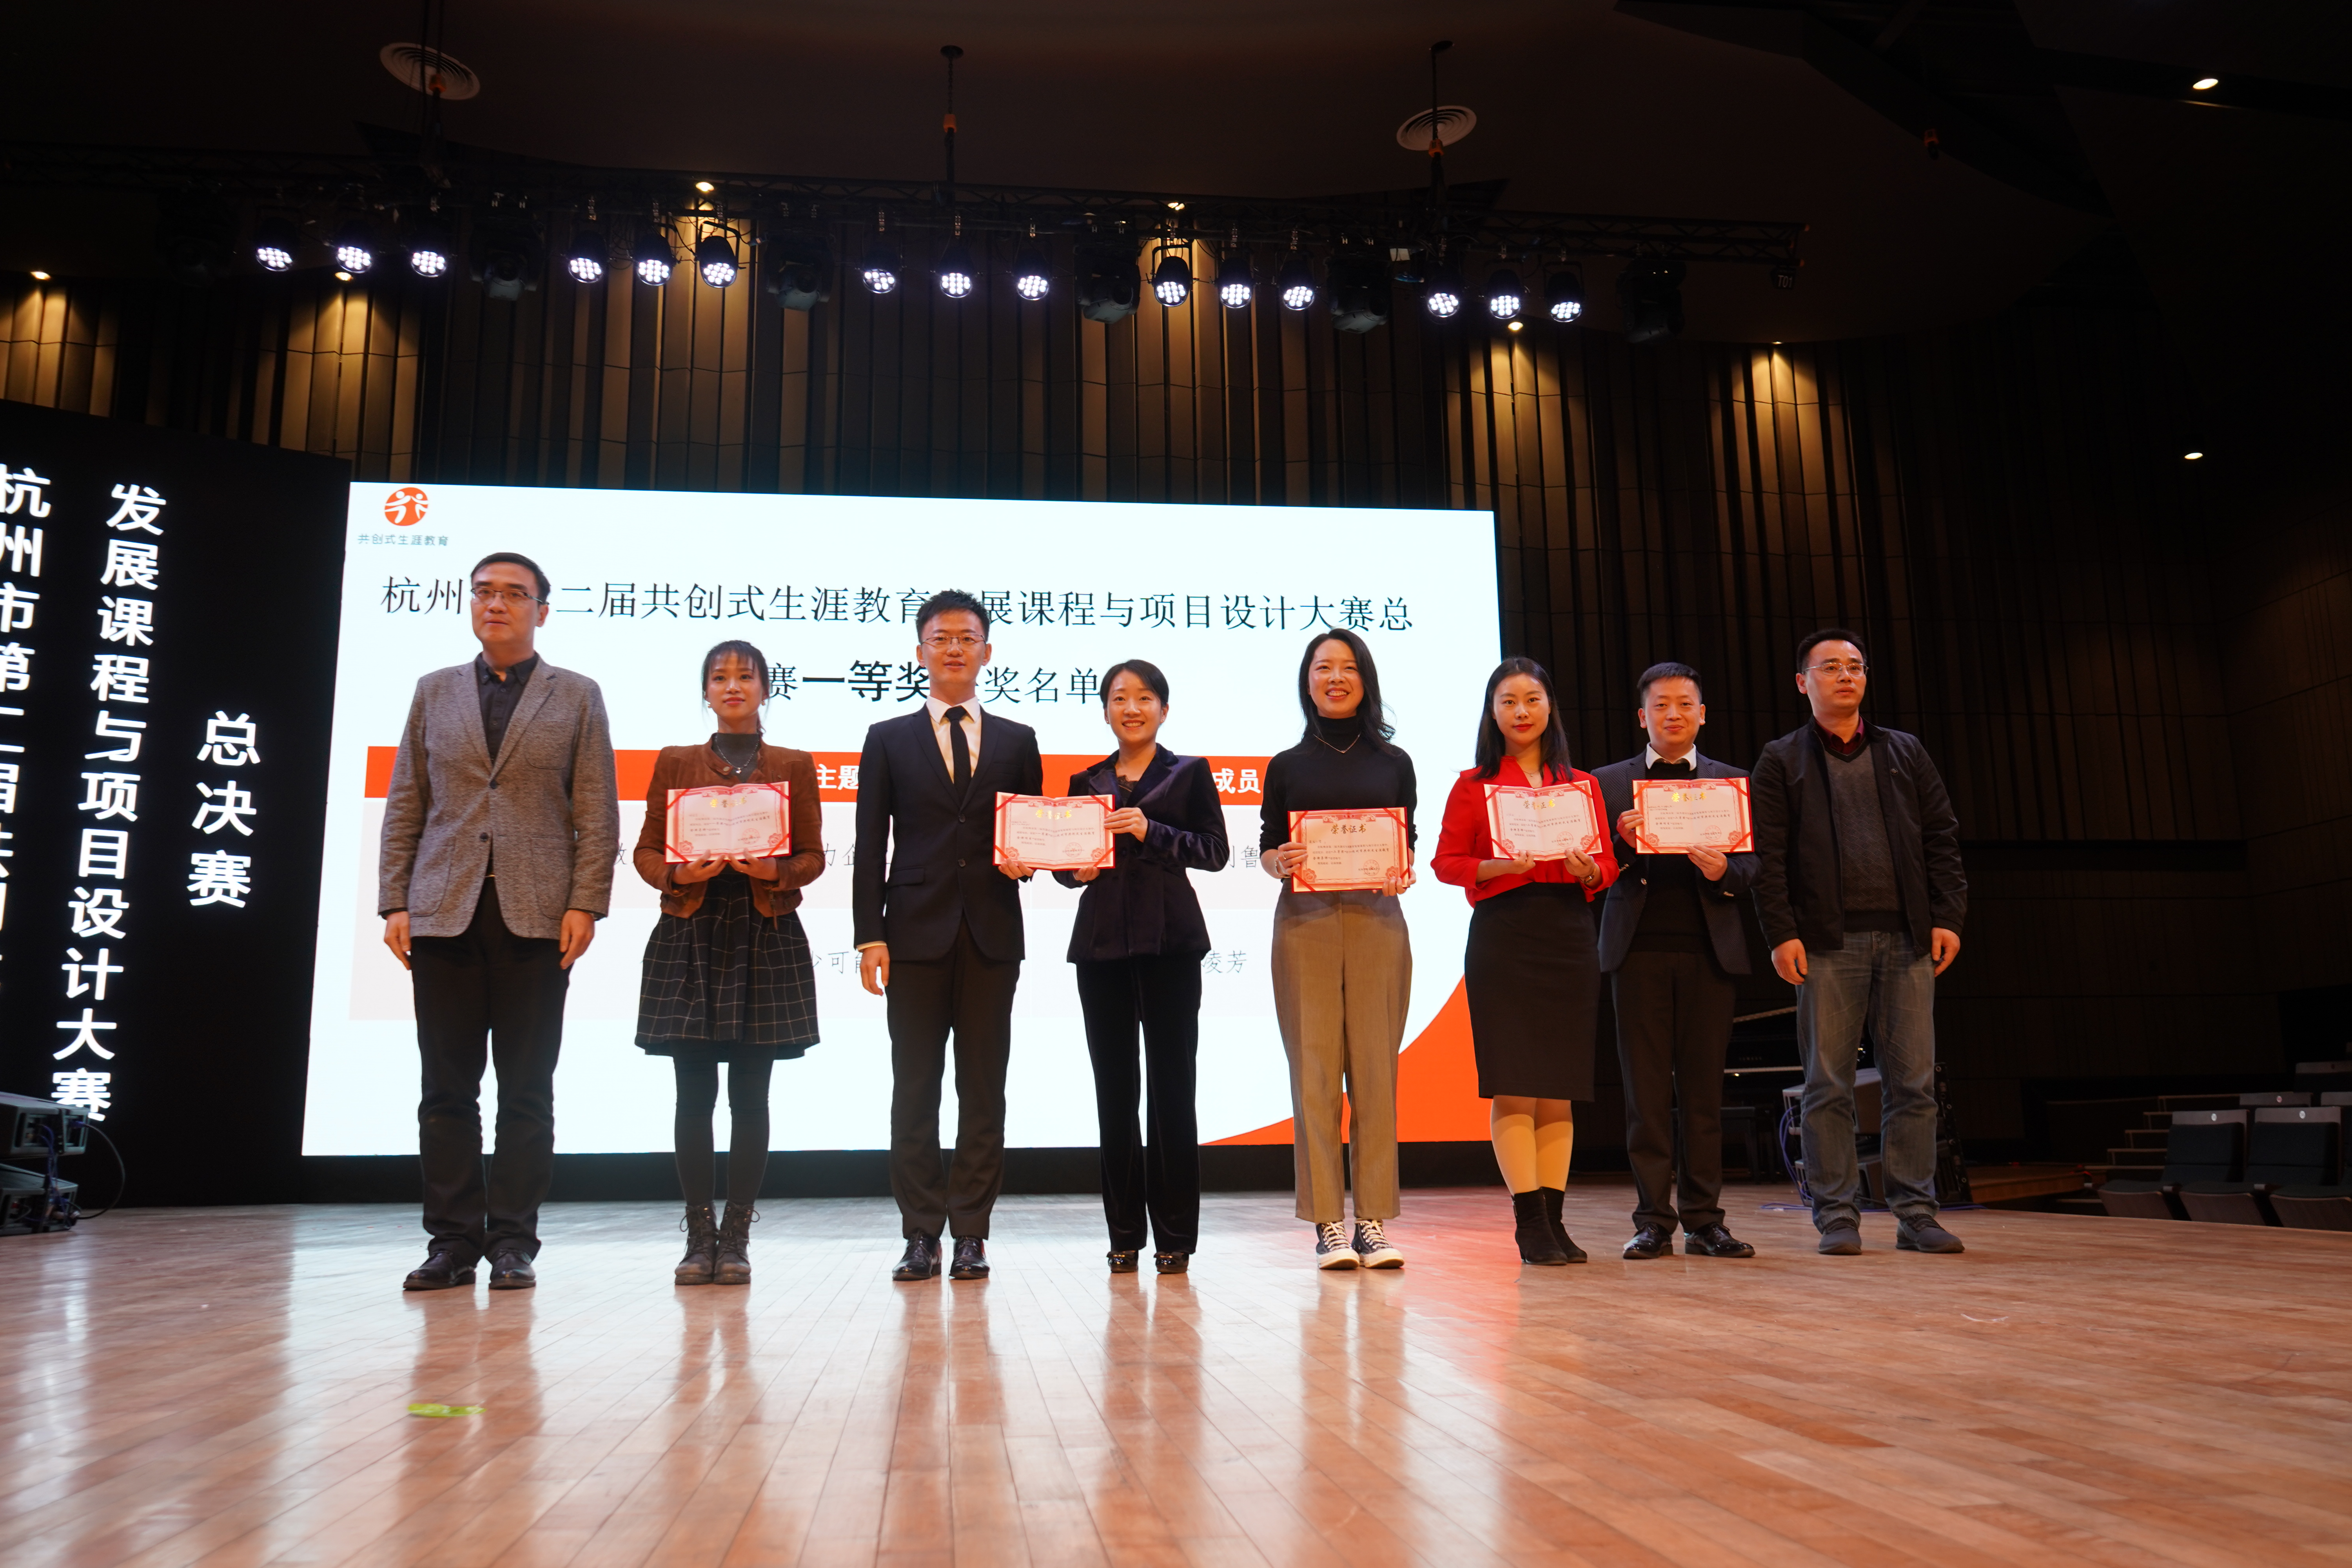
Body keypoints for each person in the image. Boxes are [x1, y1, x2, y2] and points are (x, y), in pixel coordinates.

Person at [379, 552, 619, 1292]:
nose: (496, 604)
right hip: (443, 912)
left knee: (526, 1091)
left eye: (515, 594)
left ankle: (513, 1240)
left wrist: (586, 902)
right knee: (445, 1090)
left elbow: (596, 810)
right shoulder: (435, 690)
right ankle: (451, 1242)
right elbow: (408, 800)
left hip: (537, 917)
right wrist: (395, 900)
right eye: (484, 592)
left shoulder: (576, 695)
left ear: (541, 611)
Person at [1752, 629, 1969, 1256]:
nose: (1846, 675)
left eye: (1855, 666)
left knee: (1913, 1083)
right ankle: (1837, 1215)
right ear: (1803, 682)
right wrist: (1782, 934)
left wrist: (1948, 917)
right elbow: (1769, 860)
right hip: (1826, 942)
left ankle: (1916, 1212)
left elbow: (1941, 838)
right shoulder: (1782, 759)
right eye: (1830, 667)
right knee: (1828, 1085)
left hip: (1907, 938)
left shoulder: (1903, 751)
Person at [854, 590, 1044, 1283]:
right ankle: (919, 1234)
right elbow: (869, 843)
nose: (954, 648)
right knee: (915, 1088)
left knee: (984, 1089)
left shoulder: (1018, 740)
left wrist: (1031, 861)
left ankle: (971, 1234)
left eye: (967, 638)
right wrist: (869, 935)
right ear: (920, 652)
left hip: (992, 934)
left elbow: (1029, 833)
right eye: (941, 638)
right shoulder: (887, 738)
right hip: (911, 935)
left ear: (987, 652)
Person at [631, 641, 825, 1287]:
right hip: (691, 929)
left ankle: (737, 1237)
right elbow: (647, 852)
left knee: (751, 1095)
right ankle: (698, 1237)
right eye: (720, 677)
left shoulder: (793, 765)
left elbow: (813, 857)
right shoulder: (676, 761)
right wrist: (680, 873)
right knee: (692, 1095)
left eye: (746, 676)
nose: (733, 686)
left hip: (763, 931)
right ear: (706, 692)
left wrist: (774, 870)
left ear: (767, 688)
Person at [1432, 657, 1618, 1265]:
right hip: (1505, 935)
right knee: (1515, 1086)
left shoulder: (1581, 785)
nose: (1521, 712)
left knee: (1559, 1090)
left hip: (1568, 933)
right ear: (1492, 713)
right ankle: (1529, 1224)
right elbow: (1447, 863)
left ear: (1549, 708)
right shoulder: (1473, 785)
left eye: (1532, 700)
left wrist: (1590, 871)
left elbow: (1606, 864)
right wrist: (1499, 866)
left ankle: (1556, 1223)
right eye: (1508, 701)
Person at [1056, 661, 1229, 1274]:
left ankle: (1175, 1236)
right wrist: (1073, 870)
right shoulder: (1086, 780)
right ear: (1105, 711)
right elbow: (1066, 866)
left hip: (1171, 945)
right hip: (1100, 948)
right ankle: (1123, 1233)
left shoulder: (1189, 773)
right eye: (1119, 698)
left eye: (1145, 697)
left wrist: (1152, 830)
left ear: (1164, 709)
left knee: (1173, 1091)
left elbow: (1215, 851)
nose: (1132, 708)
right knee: (1115, 1093)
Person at [1259, 629, 1417, 1270]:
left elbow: (1409, 841)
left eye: (1347, 667)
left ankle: (1372, 1222)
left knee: (1377, 1075)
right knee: (1315, 1076)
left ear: (1365, 680)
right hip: (1305, 923)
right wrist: (1279, 861)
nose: (1335, 678)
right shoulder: (1286, 765)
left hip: (1378, 920)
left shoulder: (1395, 762)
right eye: (1323, 667)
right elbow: (1269, 846)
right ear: (1308, 681)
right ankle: (1328, 1222)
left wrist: (1402, 870)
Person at [1592, 662, 1760, 1262]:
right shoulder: (1607, 783)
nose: (1673, 714)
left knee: (1702, 1095)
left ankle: (1706, 1221)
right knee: (1644, 1096)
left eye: (1685, 704)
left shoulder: (1732, 783)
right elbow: (1591, 872)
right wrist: (1621, 843)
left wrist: (1725, 871)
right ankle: (1653, 1222)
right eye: (1661, 705)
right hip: (1637, 952)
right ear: (1642, 717)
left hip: (1709, 954)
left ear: (1702, 714)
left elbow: (1755, 867)